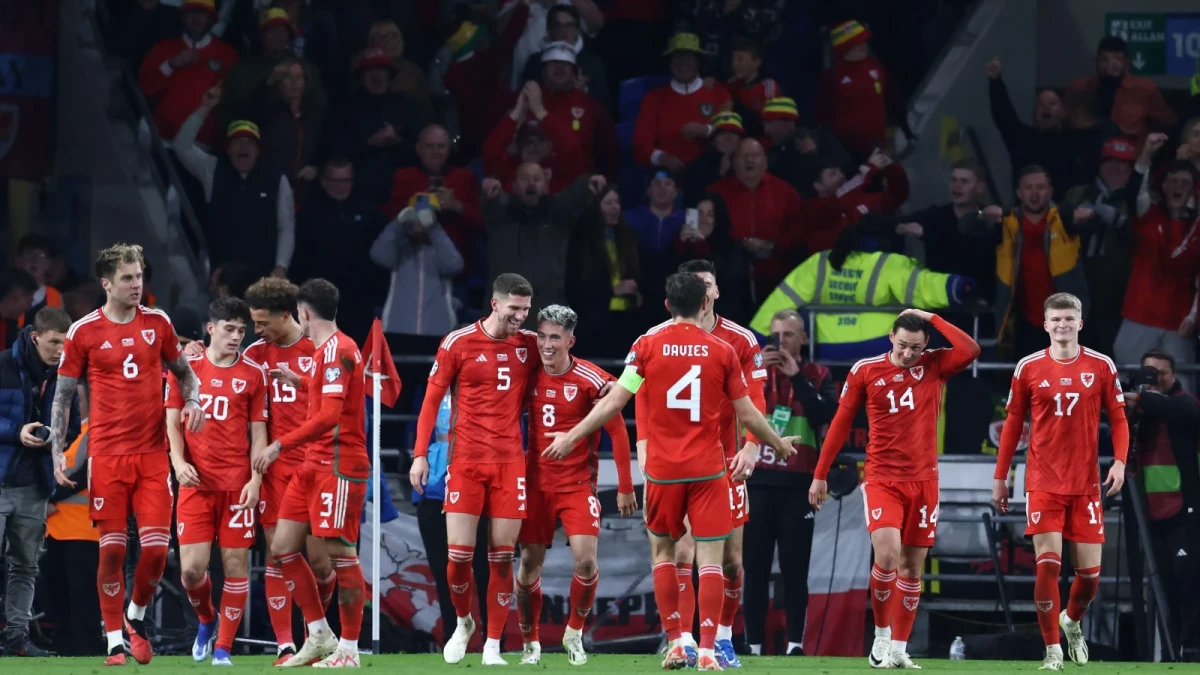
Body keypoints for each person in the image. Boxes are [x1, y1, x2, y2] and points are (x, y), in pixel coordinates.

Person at [543, 272, 796, 670]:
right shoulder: (722, 351)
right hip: (708, 470)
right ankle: (708, 650)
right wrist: (777, 444)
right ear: (703, 304)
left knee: (665, 554)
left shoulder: (646, 346)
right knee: (710, 561)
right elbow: (747, 414)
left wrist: (573, 435)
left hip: (663, 471)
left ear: (666, 305)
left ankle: (678, 641)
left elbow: (616, 401)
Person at [49, 243, 205, 666]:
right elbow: (63, 397)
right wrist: (58, 451)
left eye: (139, 276)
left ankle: (134, 616)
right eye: (127, 278)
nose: (137, 285)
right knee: (113, 551)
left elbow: (186, 375)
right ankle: (114, 642)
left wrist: (193, 401)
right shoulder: (83, 331)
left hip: (152, 454)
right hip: (107, 456)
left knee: (155, 551)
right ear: (106, 283)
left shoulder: (159, 322)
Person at [810, 308, 981, 669]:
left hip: (924, 482)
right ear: (891, 337)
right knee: (887, 556)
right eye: (902, 345)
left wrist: (932, 317)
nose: (907, 354)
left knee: (912, 569)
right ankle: (882, 635)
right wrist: (820, 473)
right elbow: (840, 423)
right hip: (882, 479)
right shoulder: (866, 370)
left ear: (926, 344)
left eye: (915, 348)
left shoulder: (935, 364)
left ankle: (900, 649)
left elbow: (971, 350)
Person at [992, 292, 1129, 671]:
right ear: (1045, 324)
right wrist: (1001, 477)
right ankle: (1052, 649)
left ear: (1080, 323)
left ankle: (1071, 622)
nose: (1062, 325)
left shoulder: (1100, 365)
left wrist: (1119, 462)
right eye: (1056, 319)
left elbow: (1119, 418)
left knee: (1090, 579)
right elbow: (1013, 424)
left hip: (1085, 484)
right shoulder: (1028, 366)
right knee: (1048, 567)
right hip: (1043, 481)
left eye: (1069, 319)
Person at [408, 273, 540, 666]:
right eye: (514, 308)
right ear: (495, 304)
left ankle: (493, 645)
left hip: (510, 463)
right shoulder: (458, 342)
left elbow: (566, 362)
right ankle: (464, 622)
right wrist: (419, 455)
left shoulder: (529, 345)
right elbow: (431, 402)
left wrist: (609, 384)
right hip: (465, 462)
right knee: (459, 558)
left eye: (526, 309)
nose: (520, 316)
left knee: (501, 557)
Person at [645, 259, 768, 668]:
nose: (703, 290)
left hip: (726, 460)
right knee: (683, 554)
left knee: (730, 562)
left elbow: (755, 400)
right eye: (696, 284)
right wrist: (644, 447)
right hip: (679, 462)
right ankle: (685, 641)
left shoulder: (739, 340)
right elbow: (641, 397)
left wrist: (752, 446)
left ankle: (725, 637)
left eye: (708, 283)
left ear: (715, 292)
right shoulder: (656, 338)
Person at [254, 279, 369, 667]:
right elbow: (330, 396)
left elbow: (330, 416)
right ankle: (319, 634)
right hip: (311, 465)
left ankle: (349, 649)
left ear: (303, 312)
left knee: (341, 556)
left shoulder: (338, 350)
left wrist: (279, 444)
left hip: (338, 464)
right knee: (282, 548)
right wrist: (300, 382)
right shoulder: (326, 351)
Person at [514, 304, 636, 665]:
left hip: (577, 485)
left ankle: (574, 633)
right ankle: (530, 643)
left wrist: (626, 486)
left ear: (571, 341)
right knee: (528, 565)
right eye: (542, 336)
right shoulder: (527, 374)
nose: (547, 344)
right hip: (535, 485)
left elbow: (617, 431)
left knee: (586, 562)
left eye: (555, 338)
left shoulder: (591, 378)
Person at [166, 297, 268, 665]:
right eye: (229, 329)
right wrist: (178, 462)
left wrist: (255, 480)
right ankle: (207, 619)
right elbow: (171, 421)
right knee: (192, 571)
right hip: (195, 484)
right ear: (211, 329)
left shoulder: (254, 374)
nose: (236, 336)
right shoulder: (186, 368)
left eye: (241, 330)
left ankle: (223, 648)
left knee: (236, 566)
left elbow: (259, 433)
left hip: (236, 485)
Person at [241, 277, 334, 665]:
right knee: (277, 555)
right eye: (253, 322)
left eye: (263, 323)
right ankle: (285, 645)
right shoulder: (255, 354)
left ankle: (318, 634)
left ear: (286, 315)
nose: (256, 330)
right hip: (275, 470)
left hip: (316, 467)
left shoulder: (319, 349)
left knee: (321, 565)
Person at [744, 309, 835, 657]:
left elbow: (826, 414)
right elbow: (732, 409)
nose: (780, 341)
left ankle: (795, 645)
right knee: (755, 569)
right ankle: (753, 646)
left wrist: (797, 378)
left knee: (795, 569)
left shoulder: (818, 374)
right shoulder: (753, 372)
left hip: (799, 485)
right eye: (775, 335)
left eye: (789, 335)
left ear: (804, 339)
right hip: (757, 482)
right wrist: (758, 372)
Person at [0, 307, 77, 657]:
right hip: (2, 479)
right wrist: (16, 432)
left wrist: (53, 438)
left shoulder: (66, 375)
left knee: (25, 566)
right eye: (54, 342)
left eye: (66, 343)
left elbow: (72, 426)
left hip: (34, 485)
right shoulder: (3, 365)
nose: (61, 350)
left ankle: (17, 638)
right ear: (35, 337)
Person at [1124, 349, 1200, 655]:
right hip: (1151, 513)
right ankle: (1170, 655)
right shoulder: (1141, 413)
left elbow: (1181, 410)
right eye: (1149, 373)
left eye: (1161, 374)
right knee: (1161, 586)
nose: (1155, 379)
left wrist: (1140, 397)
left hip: (1185, 509)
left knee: (1189, 581)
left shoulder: (1184, 402)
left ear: (1173, 375)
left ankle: (1192, 652)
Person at [177, 87, 295, 278]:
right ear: (228, 149)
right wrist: (204, 108)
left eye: (250, 142)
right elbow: (181, 147)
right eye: (237, 141)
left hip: (262, 275)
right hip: (221, 275)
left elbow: (286, 226)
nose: (243, 146)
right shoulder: (211, 168)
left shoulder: (276, 178)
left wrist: (281, 266)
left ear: (258, 151)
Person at [1115, 133, 1200, 390]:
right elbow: (1132, 193)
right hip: (1140, 313)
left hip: (1178, 320)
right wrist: (1146, 153)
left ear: (1193, 189)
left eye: (1184, 182)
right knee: (1129, 380)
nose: (1177, 186)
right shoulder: (1149, 215)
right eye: (1172, 181)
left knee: (1181, 385)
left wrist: (1193, 316)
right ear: (1162, 186)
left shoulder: (1198, 227)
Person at [42, 382, 102, 657]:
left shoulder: (99, 433)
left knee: (82, 599)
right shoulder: (78, 434)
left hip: (83, 532)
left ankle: (87, 651)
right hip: (57, 531)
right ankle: (66, 651)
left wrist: (45, 496)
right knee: (59, 596)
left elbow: (79, 477)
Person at [633, 33, 732, 172]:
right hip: (669, 178)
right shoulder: (654, 98)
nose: (682, 63)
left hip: (713, 175)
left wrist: (707, 130)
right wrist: (662, 157)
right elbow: (641, 146)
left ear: (698, 62)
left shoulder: (718, 92)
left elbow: (732, 135)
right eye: (677, 57)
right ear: (670, 63)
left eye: (688, 57)